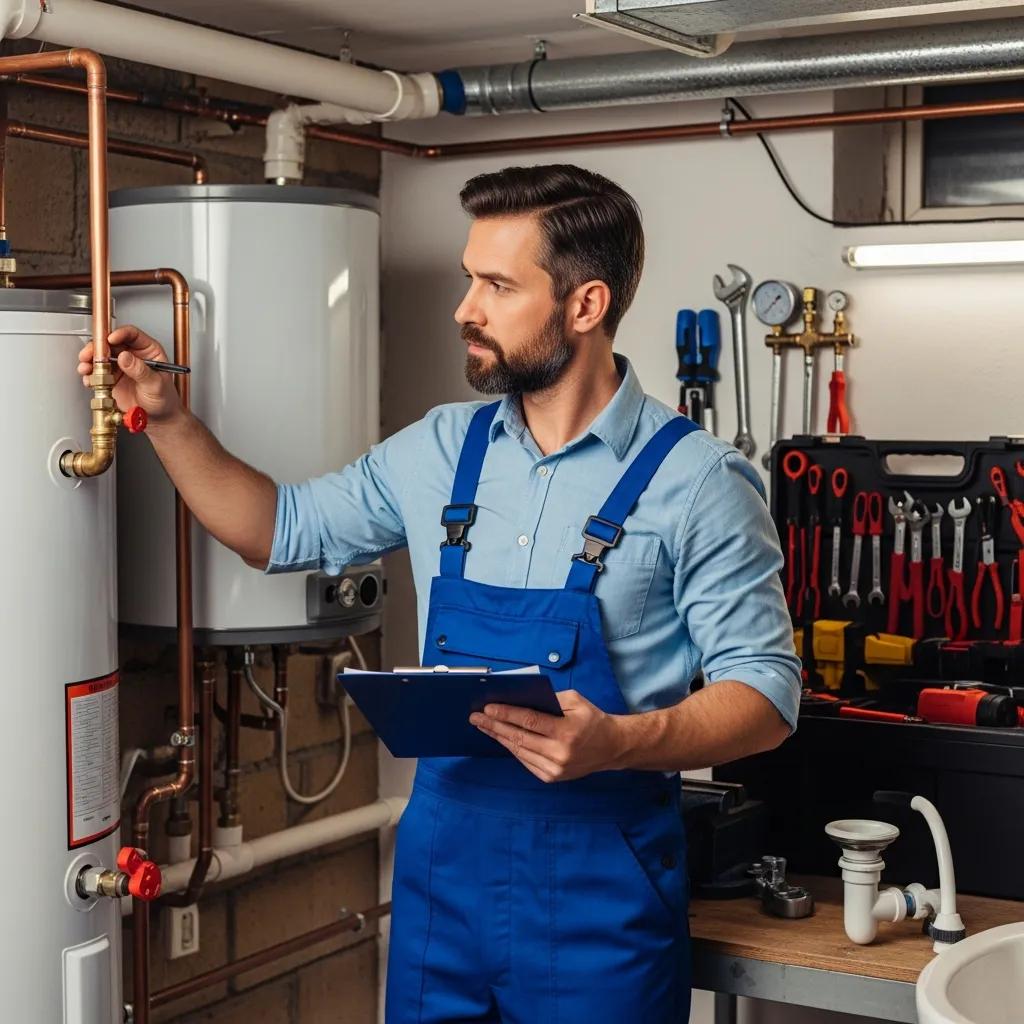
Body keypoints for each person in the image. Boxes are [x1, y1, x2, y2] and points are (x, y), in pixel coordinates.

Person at [78, 163, 801, 1023]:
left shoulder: (701, 480)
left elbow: (767, 692)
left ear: (585, 305)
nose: (466, 307)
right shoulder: (438, 449)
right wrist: (164, 416)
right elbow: (281, 530)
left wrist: (619, 740)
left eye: (497, 284)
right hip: (440, 893)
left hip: (601, 905)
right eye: (470, 278)